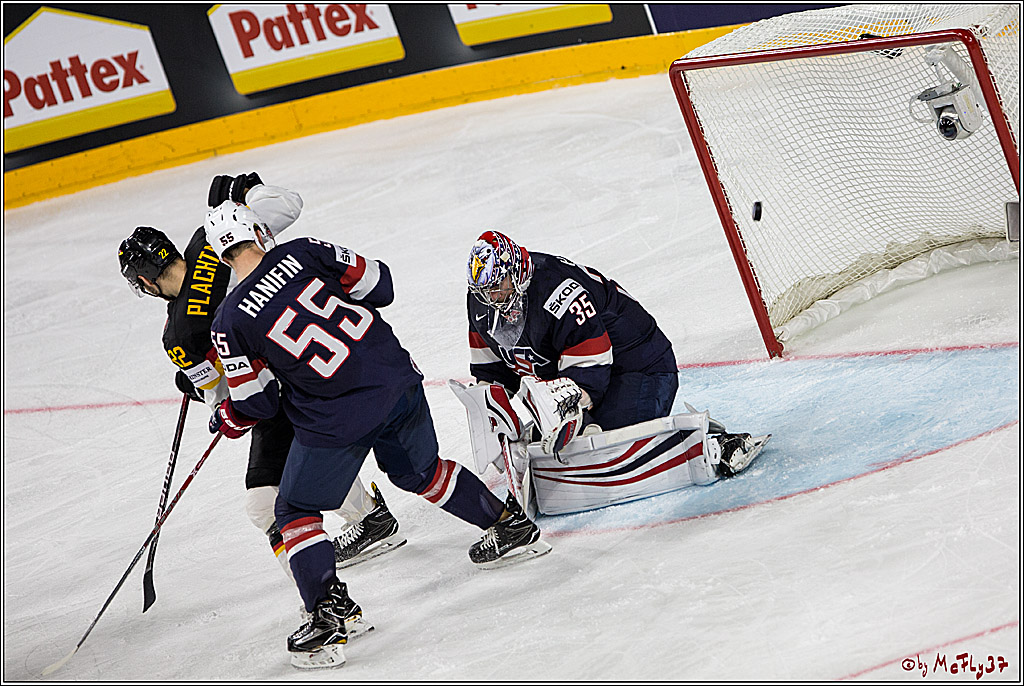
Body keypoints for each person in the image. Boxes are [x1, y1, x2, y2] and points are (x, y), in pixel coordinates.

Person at [203, 200, 551, 670]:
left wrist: (227, 414)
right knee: (420, 471)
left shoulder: (228, 322)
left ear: (220, 256)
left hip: (336, 415)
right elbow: (380, 284)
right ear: (259, 233)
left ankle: (330, 615)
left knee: (293, 510)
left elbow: (257, 405)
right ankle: (512, 528)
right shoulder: (306, 250)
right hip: (395, 378)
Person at [117, 173, 406, 599]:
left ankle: (323, 599)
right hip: (326, 365)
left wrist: (196, 382)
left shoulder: (178, 337)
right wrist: (249, 190)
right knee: (307, 459)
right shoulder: (213, 239)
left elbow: (225, 395)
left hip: (276, 396)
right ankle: (367, 518)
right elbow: (289, 205)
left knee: (264, 503)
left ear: (144, 281)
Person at [463, 230, 766, 472]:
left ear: (516, 272)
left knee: (605, 450)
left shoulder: (559, 290)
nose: (492, 298)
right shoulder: (481, 303)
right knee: (553, 451)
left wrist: (570, 415)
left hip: (639, 366)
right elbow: (491, 371)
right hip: (581, 378)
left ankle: (713, 444)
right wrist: (492, 414)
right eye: (483, 291)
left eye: (498, 286)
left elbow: (591, 362)